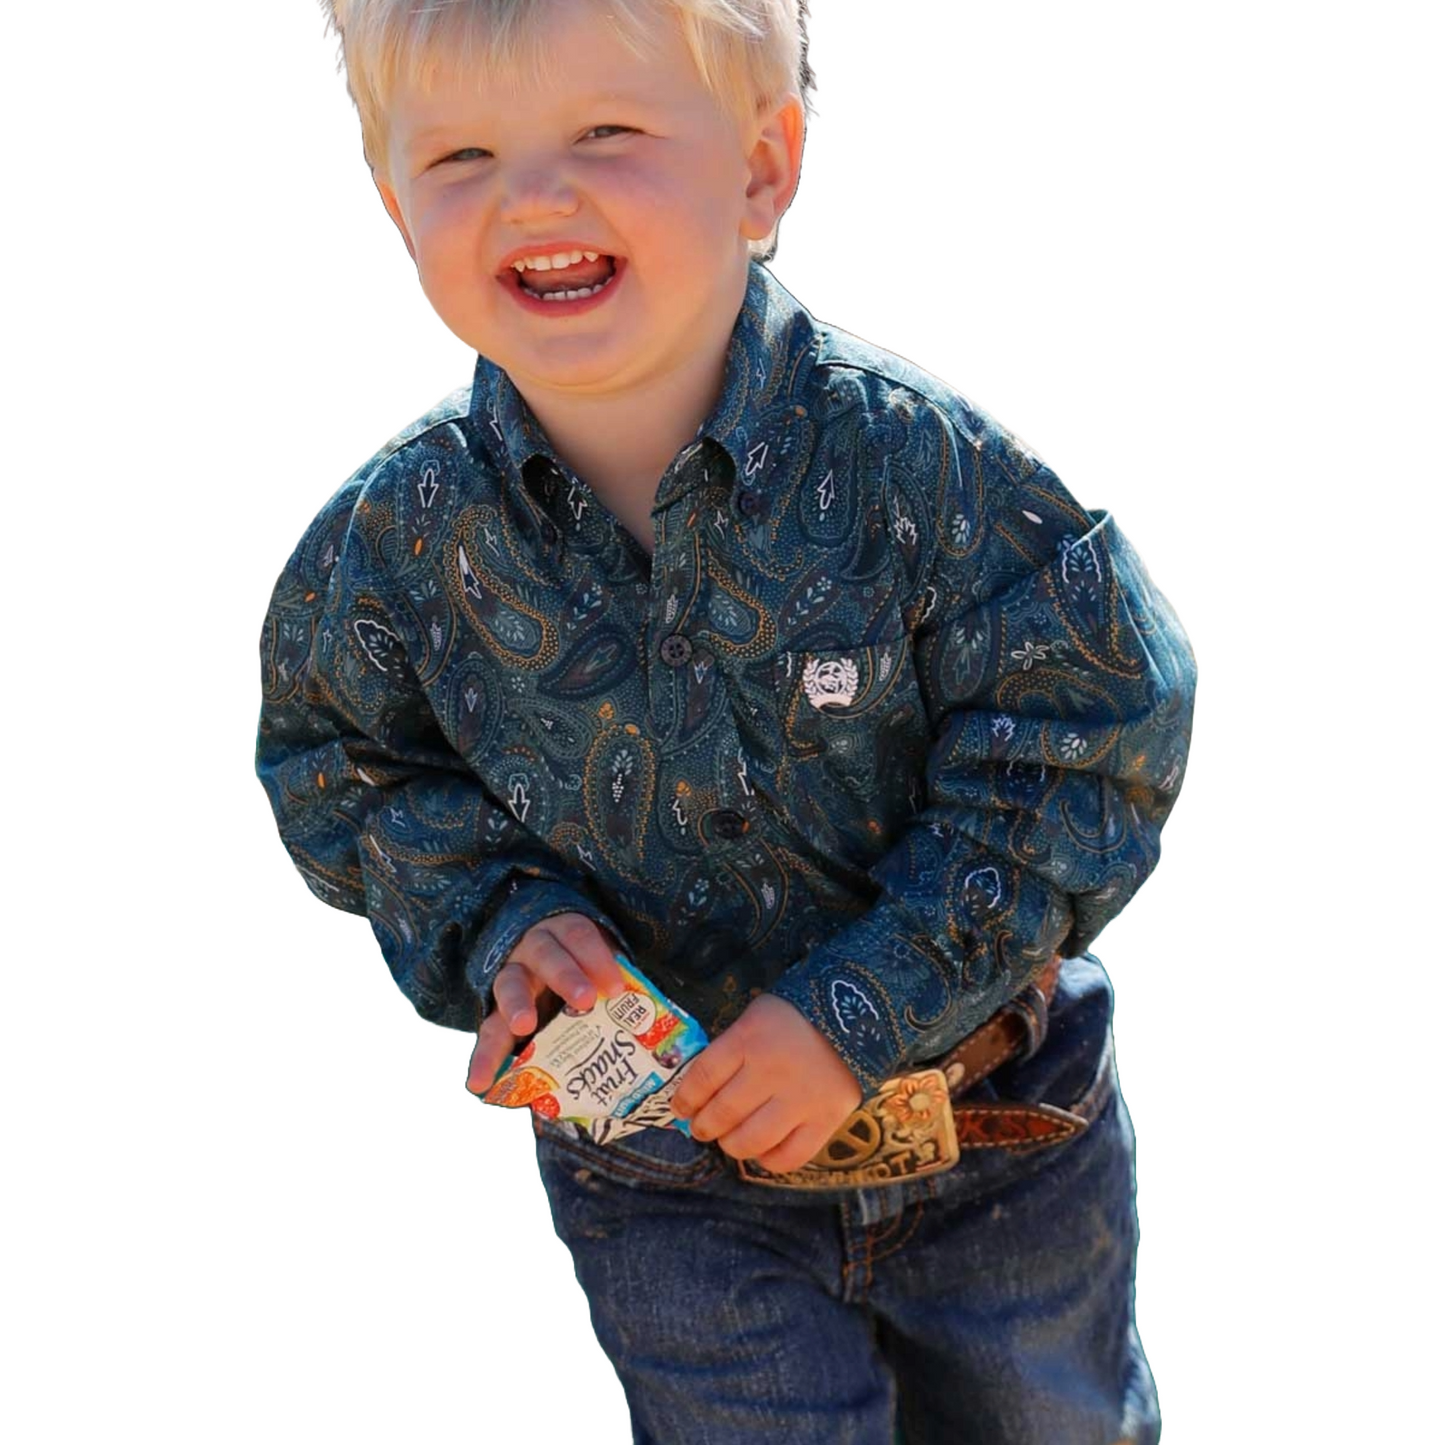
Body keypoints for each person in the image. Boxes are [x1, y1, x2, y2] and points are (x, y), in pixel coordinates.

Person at [256, 2, 1196, 1439]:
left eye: (606, 132)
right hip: (666, 1173)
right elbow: (349, 771)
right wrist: (503, 921)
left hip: (991, 1130)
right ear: (393, 204)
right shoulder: (391, 553)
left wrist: (854, 1008)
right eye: (461, 156)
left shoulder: (923, 475)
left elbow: (1091, 733)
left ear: (762, 167)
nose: (535, 195)